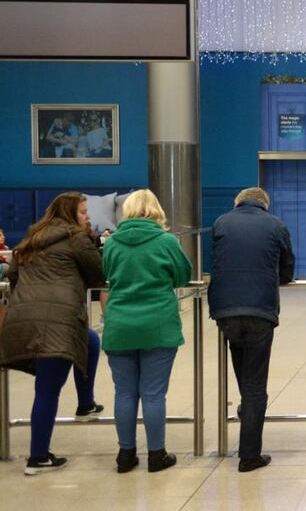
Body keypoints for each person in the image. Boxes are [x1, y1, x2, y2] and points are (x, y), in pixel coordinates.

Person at [0, 192, 106, 475]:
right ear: (70, 215)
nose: (88, 217)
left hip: (23, 317)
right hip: (59, 319)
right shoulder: (77, 238)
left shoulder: (31, 239)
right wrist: (93, 243)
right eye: (83, 212)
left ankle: (86, 403)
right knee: (47, 390)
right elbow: (97, 275)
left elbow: (12, 274)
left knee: (91, 341)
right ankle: (38, 457)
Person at [102, 190, 192, 473]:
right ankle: (157, 455)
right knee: (153, 395)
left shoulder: (112, 242)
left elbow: (107, 275)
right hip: (157, 325)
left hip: (119, 326)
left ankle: (125, 455)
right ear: (156, 210)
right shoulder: (166, 241)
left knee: (124, 393)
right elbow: (182, 276)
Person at [210, 187, 294, 472]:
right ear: (264, 204)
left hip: (226, 311)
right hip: (260, 309)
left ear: (238, 202)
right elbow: (287, 267)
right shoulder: (276, 224)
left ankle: (247, 413)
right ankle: (249, 455)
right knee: (256, 384)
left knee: (243, 371)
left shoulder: (221, 222)